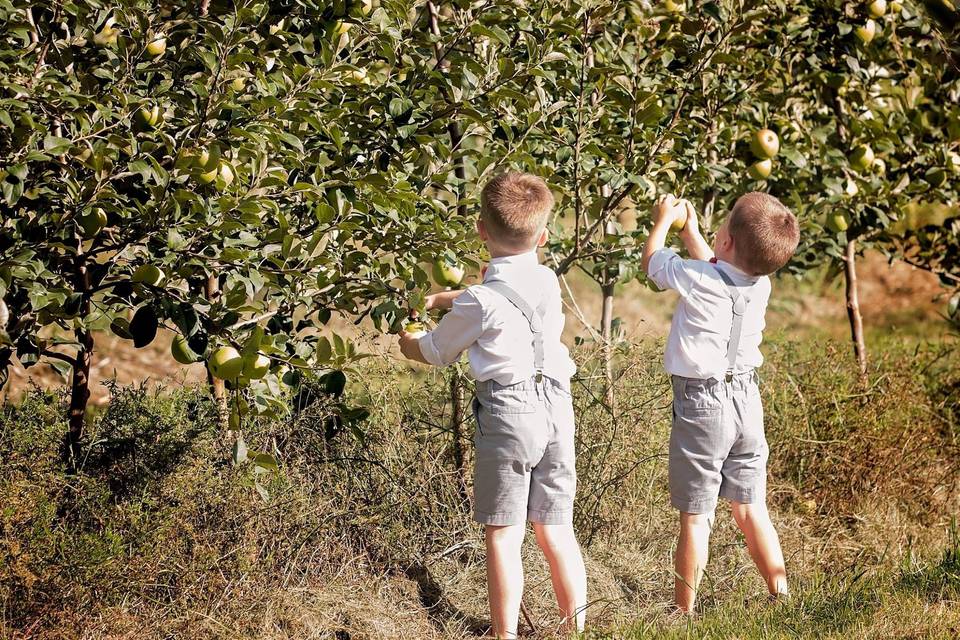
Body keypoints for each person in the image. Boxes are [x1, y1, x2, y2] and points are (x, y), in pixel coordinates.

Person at [398, 172, 587, 638]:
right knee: (556, 527)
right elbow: (505, 295)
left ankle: (504, 635)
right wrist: (447, 297)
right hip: (558, 405)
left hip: (511, 412)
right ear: (543, 236)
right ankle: (576, 628)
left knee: (504, 531)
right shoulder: (546, 278)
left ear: (481, 230)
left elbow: (436, 352)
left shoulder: (480, 301)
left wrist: (408, 336)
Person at [641, 192, 800, 613]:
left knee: (697, 516)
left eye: (723, 227)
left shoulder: (697, 278)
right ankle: (780, 593)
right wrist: (691, 230)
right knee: (750, 507)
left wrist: (663, 221)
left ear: (726, 242)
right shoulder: (759, 284)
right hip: (747, 400)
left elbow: (654, 263)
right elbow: (721, 270)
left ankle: (684, 612)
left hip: (702, 405)